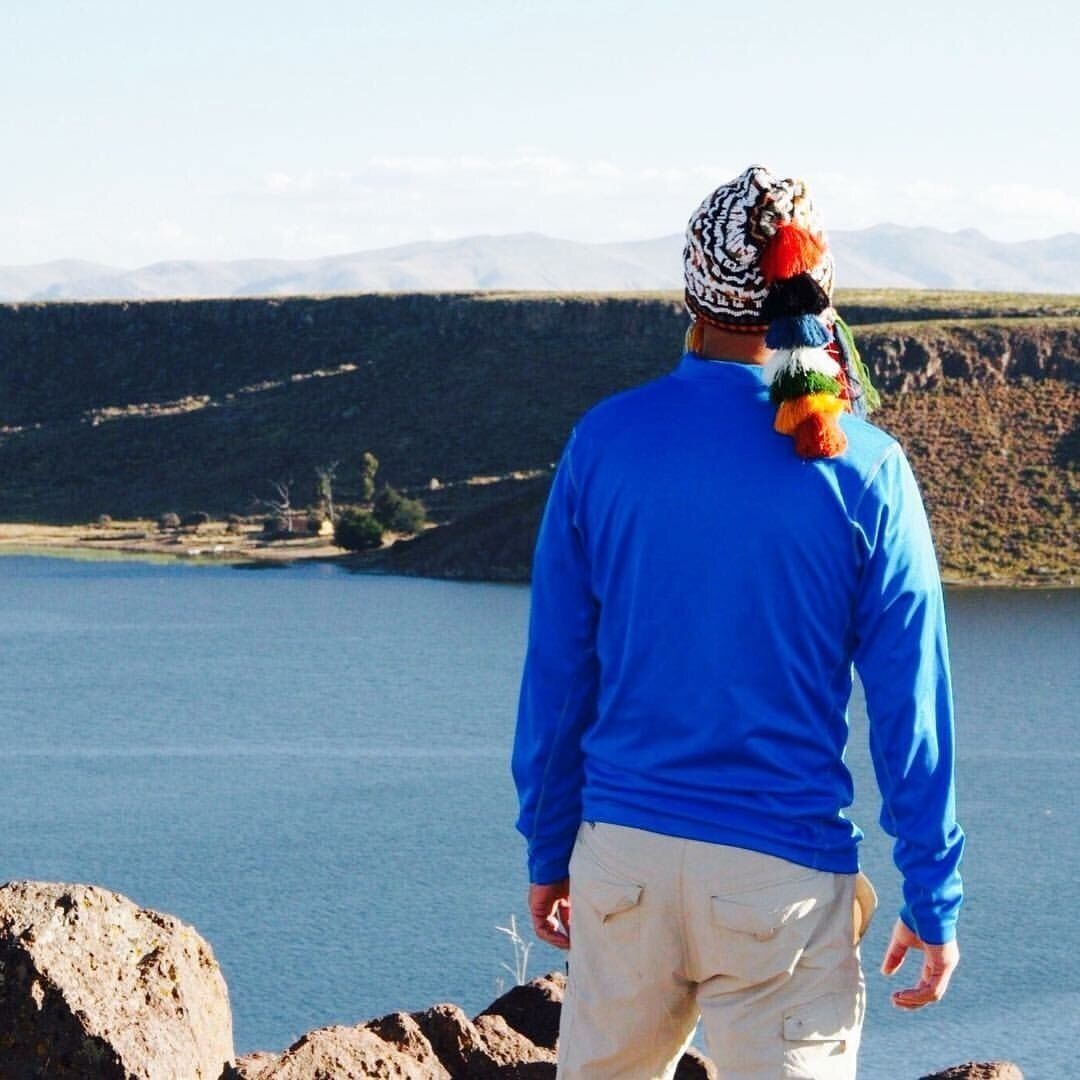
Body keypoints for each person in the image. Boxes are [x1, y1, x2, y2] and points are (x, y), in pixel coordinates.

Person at [511, 166, 964, 1079]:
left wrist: (550, 842)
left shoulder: (604, 440)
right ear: (816, 289)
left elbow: (560, 674)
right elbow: (909, 709)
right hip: (780, 887)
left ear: (692, 290)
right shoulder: (864, 468)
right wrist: (932, 894)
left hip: (623, 866)